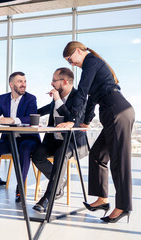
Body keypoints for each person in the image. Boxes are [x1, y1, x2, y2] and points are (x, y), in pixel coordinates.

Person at [63, 41, 135, 223]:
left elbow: (82, 92)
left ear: (79, 51)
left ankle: (123, 206)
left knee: (119, 161)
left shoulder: (91, 62)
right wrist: (86, 121)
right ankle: (102, 199)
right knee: (97, 154)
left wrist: (72, 120)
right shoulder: (92, 66)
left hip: (117, 111)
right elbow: (91, 98)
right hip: (113, 112)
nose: (71, 64)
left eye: (71, 59)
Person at [0, 72, 40, 203]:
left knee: (24, 149)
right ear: (11, 85)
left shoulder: (31, 98)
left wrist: (12, 120)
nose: (23, 84)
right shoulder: (3, 98)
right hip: (9, 140)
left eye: (24, 81)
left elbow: (30, 118)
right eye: (20, 81)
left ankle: (20, 190)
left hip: (28, 139)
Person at [32, 67, 88, 213]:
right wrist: (23, 115)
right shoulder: (57, 98)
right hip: (55, 140)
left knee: (60, 155)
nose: (51, 84)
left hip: (73, 142)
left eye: (54, 81)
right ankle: (59, 182)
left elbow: (72, 119)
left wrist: (57, 100)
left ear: (63, 82)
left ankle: (48, 197)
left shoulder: (79, 98)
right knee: (37, 154)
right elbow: (42, 110)